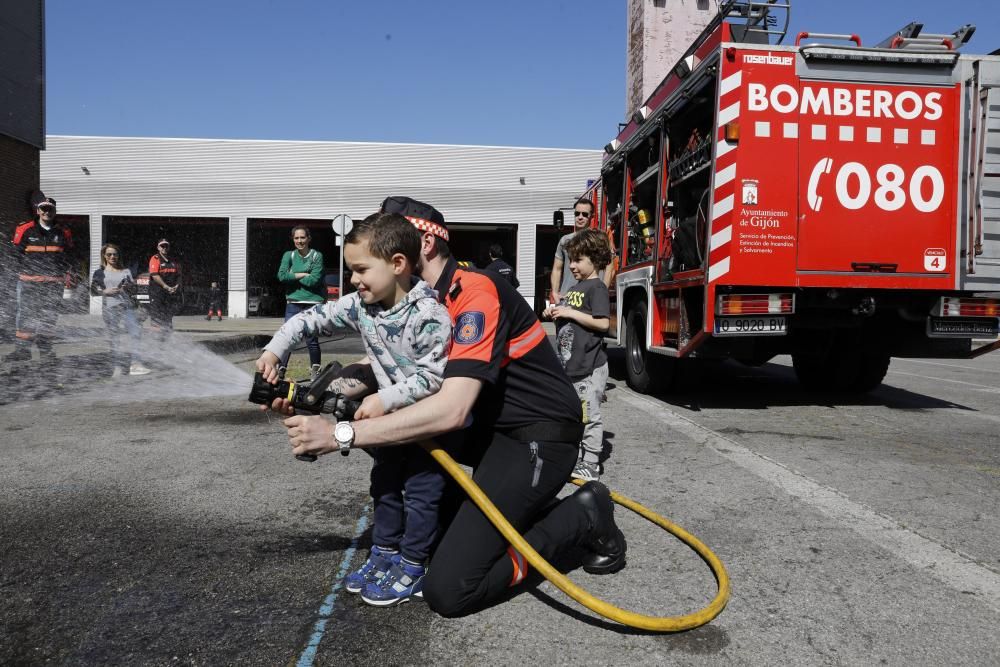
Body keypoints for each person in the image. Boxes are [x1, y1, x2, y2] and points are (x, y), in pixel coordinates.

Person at [271, 196, 627, 618]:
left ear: (420, 245)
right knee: (426, 517)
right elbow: (382, 367)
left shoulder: (473, 292)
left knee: (451, 587)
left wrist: (337, 435)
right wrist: (312, 393)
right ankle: (512, 510)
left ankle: (583, 515)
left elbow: (451, 410)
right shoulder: (413, 301)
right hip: (488, 431)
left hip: (536, 437)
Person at [256, 212, 452, 607]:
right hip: (387, 427)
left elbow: (432, 379)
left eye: (361, 269)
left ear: (398, 265)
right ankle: (385, 553)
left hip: (423, 429)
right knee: (384, 487)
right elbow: (310, 320)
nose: (353, 280)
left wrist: (383, 399)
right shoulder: (364, 306)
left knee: (420, 493)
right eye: (350, 270)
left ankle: (413, 564)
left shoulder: (429, 316)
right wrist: (275, 348)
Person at [544, 229, 612, 482]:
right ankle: (577, 455)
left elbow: (603, 323)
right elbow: (572, 315)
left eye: (577, 260)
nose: (571, 265)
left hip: (589, 366)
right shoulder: (579, 287)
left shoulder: (597, 288)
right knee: (575, 413)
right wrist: (557, 311)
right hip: (572, 364)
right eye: (570, 259)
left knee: (589, 414)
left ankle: (592, 463)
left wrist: (570, 313)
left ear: (594, 259)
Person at [4, 192, 76, 364]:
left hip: (53, 284)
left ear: (55, 211)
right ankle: (23, 351)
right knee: (26, 316)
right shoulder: (24, 229)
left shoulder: (64, 232)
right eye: (43, 209)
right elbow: (15, 255)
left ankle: (46, 352)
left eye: (50, 209)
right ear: (38, 210)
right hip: (29, 283)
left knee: (49, 317)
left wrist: (69, 276)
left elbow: (71, 256)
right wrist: (17, 274)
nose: (47, 212)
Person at [90, 244, 151, 377]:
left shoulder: (126, 271)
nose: (112, 257)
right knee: (114, 337)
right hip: (110, 308)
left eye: (115, 254)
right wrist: (104, 291)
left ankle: (135, 365)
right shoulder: (100, 272)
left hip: (127, 307)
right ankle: (116, 367)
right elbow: (93, 291)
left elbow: (134, 289)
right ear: (104, 256)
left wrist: (129, 287)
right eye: (109, 254)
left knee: (136, 332)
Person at [277, 226, 325, 378]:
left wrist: (294, 275)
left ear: (308, 238)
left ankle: (315, 372)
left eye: (302, 237)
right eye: (296, 238)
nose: (299, 241)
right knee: (287, 338)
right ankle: (281, 370)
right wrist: (304, 273)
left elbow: (314, 281)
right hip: (292, 303)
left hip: (313, 304)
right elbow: (282, 276)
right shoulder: (288, 255)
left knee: (311, 340)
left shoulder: (317, 256)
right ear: (293, 239)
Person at [550, 198, 614, 306]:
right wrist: (555, 293)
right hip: (567, 298)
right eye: (577, 213)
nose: (580, 217)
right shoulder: (565, 240)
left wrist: (602, 293)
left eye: (584, 214)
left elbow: (610, 268)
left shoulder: (599, 239)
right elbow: (557, 269)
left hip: (591, 298)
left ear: (592, 216)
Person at [148, 238, 181, 339]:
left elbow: (179, 275)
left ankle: (167, 337)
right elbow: (154, 275)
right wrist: (165, 286)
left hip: (170, 292)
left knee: (168, 315)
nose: (164, 248)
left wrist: (177, 285)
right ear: (158, 247)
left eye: (166, 246)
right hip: (157, 292)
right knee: (156, 314)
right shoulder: (155, 258)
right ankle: (155, 338)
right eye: (162, 246)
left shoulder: (174, 260)